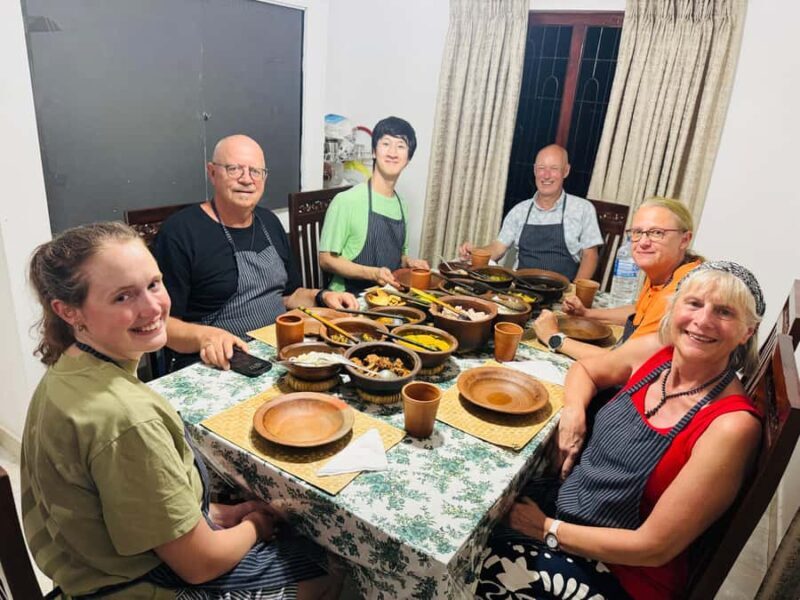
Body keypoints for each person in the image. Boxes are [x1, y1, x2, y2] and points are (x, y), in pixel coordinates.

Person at [22, 222, 341, 599]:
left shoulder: (68, 371)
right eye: (123, 297)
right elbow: (199, 564)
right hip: (131, 587)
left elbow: (135, 503)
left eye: (154, 284)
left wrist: (217, 516)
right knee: (332, 568)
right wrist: (255, 524)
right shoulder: (126, 417)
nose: (153, 307)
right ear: (69, 311)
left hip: (89, 563)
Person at [477, 261, 765, 600]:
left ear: (746, 331)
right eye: (694, 303)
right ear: (674, 310)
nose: (703, 321)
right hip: (572, 515)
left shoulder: (730, 426)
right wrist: (573, 412)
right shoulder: (660, 353)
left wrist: (545, 529)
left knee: (472, 565)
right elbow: (586, 369)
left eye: (725, 312)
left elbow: (654, 547)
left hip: (621, 575)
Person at [155, 134, 358, 371]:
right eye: (234, 169)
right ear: (212, 172)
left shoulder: (269, 222)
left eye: (255, 171)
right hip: (218, 363)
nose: (246, 179)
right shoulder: (180, 232)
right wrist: (205, 337)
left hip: (276, 351)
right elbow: (162, 325)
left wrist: (322, 296)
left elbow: (289, 296)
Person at [533, 197, 704, 360]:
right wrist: (587, 314)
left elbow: (623, 363)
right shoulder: (668, 271)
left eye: (657, 233)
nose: (643, 242)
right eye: (637, 232)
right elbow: (639, 312)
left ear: (685, 239)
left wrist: (553, 337)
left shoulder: (682, 292)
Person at [458, 144, 602, 281]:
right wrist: (475, 252)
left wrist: (574, 292)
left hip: (563, 293)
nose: (546, 175)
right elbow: (497, 248)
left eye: (554, 168)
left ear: (566, 171)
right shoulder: (519, 211)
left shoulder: (582, 209)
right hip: (520, 290)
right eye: (541, 168)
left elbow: (590, 256)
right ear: (534, 171)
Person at [319, 116, 430, 293]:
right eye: (386, 143)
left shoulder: (402, 205)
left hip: (388, 297)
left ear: (408, 159)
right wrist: (372, 274)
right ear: (373, 151)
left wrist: (409, 262)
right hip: (349, 301)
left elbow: (398, 257)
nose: (392, 152)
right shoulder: (346, 200)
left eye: (401, 146)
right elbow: (326, 260)